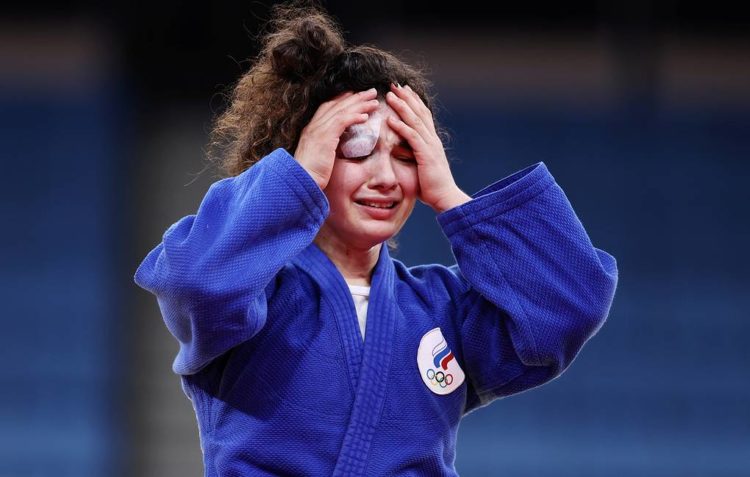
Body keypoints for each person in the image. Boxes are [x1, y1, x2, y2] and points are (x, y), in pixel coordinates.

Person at [134, 3, 618, 476]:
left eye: (407, 156)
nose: (386, 177)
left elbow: (571, 307)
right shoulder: (254, 299)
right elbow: (194, 281)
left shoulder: (444, 310)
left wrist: (451, 197)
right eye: (357, 149)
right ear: (310, 155)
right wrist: (298, 175)